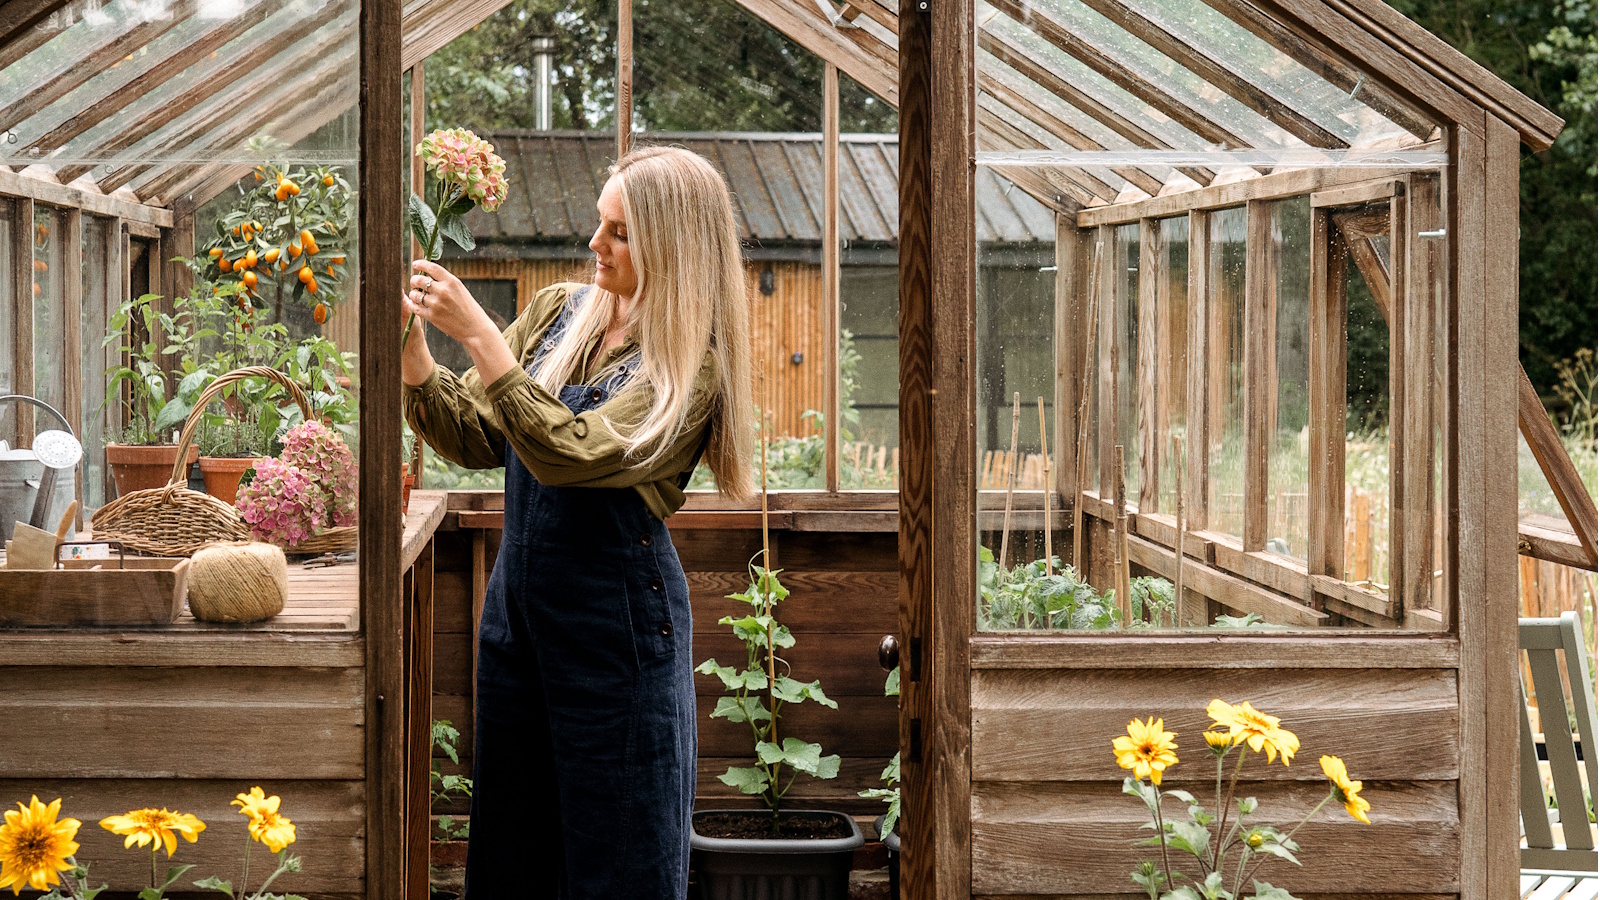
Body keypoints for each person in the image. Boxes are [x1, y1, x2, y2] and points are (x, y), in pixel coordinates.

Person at [400, 145, 754, 899]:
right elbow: (478, 436)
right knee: (514, 844)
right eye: (600, 223)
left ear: (672, 245)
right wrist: (416, 359)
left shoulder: (689, 364)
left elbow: (573, 453)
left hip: (616, 633)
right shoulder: (561, 313)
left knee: (618, 851)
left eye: (620, 233)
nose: (596, 243)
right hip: (519, 620)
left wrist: (481, 337)